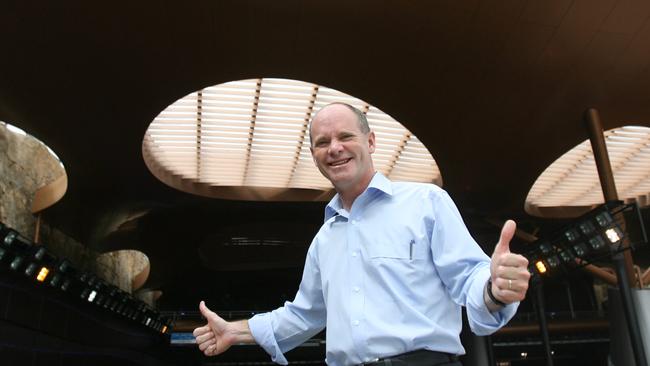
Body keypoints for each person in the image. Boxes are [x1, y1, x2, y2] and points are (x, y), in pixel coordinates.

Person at [193, 103, 531, 366]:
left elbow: (469, 278)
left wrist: (495, 289)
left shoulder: (426, 202)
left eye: (345, 137)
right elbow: (304, 314)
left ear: (371, 141)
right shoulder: (324, 240)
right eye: (322, 142)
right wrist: (234, 331)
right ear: (314, 157)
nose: (334, 148)